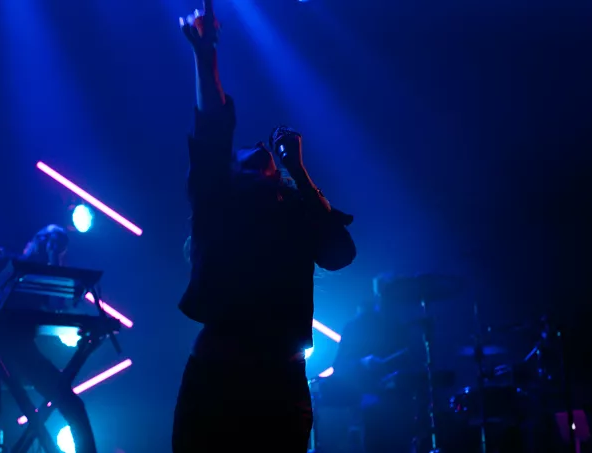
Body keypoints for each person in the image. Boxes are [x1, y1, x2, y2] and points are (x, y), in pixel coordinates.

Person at [172, 1, 357, 452]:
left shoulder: (295, 213)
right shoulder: (218, 201)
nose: (257, 146)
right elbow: (212, 125)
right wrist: (205, 57)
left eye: (266, 155)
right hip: (219, 379)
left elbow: (339, 253)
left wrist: (299, 170)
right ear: (231, 170)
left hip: (280, 382)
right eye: (244, 151)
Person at [0, 225, 97, 453]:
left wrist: (54, 265)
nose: (51, 247)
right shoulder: (3, 259)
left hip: (25, 352)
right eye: (50, 241)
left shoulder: (42, 277)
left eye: (59, 246)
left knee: (73, 405)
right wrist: (5, 279)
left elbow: (57, 304)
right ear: (38, 238)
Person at [333, 273, 417, 453]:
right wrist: (363, 363)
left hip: (400, 405)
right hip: (367, 402)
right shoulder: (355, 327)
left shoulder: (402, 325)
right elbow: (339, 367)